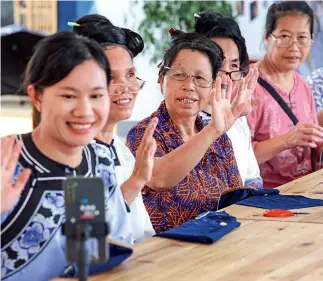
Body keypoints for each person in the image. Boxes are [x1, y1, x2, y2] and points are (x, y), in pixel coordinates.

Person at [1, 31, 156, 281]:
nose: (85, 111)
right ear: (37, 97)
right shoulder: (5, 163)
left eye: (96, 95)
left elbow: (98, 257)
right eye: (68, 96)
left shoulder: (98, 162)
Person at [126, 32, 248, 233]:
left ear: (212, 87)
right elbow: (158, 178)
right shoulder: (143, 133)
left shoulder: (220, 138)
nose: (189, 86)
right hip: (169, 255)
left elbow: (237, 201)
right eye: (179, 75)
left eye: (200, 78)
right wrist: (212, 131)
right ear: (161, 79)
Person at [71, 14, 154, 242]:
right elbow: (87, 242)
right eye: (110, 77)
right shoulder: (75, 155)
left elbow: (144, 233)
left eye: (130, 74)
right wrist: (136, 180)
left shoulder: (122, 151)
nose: (126, 87)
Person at [246, 1, 323, 188]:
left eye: (303, 38)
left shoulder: (303, 86)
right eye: (285, 37)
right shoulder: (248, 86)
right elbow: (237, 158)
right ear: (267, 36)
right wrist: (286, 140)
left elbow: (311, 150)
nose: (294, 47)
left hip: (305, 192)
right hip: (264, 199)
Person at [194, 12, 262, 189]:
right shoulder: (183, 120)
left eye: (233, 66)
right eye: (217, 63)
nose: (225, 77)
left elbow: (252, 178)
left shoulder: (238, 119)